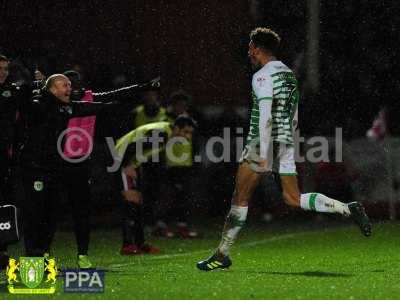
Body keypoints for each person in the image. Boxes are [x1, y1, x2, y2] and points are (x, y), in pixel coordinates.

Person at [196, 27, 371, 271]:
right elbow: (293, 114)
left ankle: (222, 254)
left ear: (257, 48)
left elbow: (266, 114)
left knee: (240, 197)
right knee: (293, 198)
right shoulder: (288, 74)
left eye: (250, 47)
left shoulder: (261, 76)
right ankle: (346, 208)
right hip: (287, 140)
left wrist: (264, 152)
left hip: (262, 142)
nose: (248, 52)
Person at [20, 73, 154, 266]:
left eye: (70, 84)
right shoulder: (39, 103)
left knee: (52, 213)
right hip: (34, 168)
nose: (70, 88)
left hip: (55, 167)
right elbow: (27, 107)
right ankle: (35, 259)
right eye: (65, 85)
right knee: (37, 215)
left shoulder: (67, 106)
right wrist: (34, 87)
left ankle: (54, 257)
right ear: (52, 89)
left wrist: (134, 91)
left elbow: (96, 104)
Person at [115, 116, 197, 252]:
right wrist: (126, 165)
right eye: (186, 132)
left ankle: (140, 243)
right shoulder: (161, 134)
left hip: (130, 162)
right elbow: (132, 147)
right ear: (176, 128)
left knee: (138, 203)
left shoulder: (165, 133)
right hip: (121, 160)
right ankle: (128, 245)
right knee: (131, 202)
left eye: (190, 133)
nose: (188, 137)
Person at [0, 54, 29, 269]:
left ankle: (2, 250)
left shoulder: (12, 92)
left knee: (4, 201)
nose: (3, 73)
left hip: (5, 155)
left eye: (5, 69)